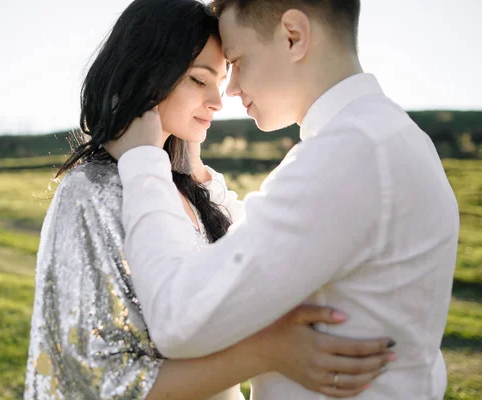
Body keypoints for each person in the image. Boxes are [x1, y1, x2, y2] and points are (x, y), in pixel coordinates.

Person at [24, 0, 396, 399]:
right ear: (148, 74)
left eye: (221, 80)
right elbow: (94, 383)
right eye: (200, 81)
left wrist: (189, 166)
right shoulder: (90, 193)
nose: (219, 101)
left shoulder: (185, 189)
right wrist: (267, 353)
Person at [107, 0, 460, 399]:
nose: (232, 89)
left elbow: (178, 317)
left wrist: (143, 164)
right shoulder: (393, 138)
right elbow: (263, 251)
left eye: (238, 60)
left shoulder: (349, 153)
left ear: (294, 36)